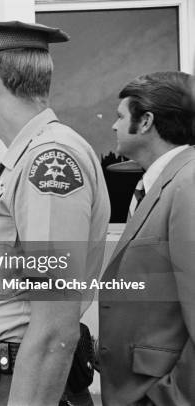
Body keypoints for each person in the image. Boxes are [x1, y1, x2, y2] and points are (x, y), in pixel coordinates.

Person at [0, 19, 111, 405]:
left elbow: (55, 329)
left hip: (24, 381)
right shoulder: (25, 158)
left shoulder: (49, 161)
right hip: (5, 375)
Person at [99, 71, 195, 405]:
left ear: (146, 121)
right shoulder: (154, 184)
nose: (113, 126)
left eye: (120, 116)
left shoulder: (188, 184)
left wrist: (170, 396)